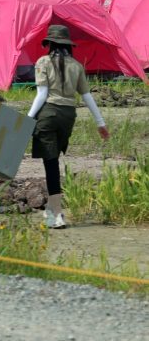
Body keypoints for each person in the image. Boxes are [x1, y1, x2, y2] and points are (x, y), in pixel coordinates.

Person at [27, 25, 108, 229]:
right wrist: (100, 123)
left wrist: (27, 119)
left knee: (51, 164)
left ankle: (57, 214)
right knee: (54, 161)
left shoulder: (43, 62)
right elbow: (87, 96)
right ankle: (51, 210)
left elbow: (42, 95)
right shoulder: (77, 65)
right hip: (68, 116)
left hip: (49, 115)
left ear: (50, 43)